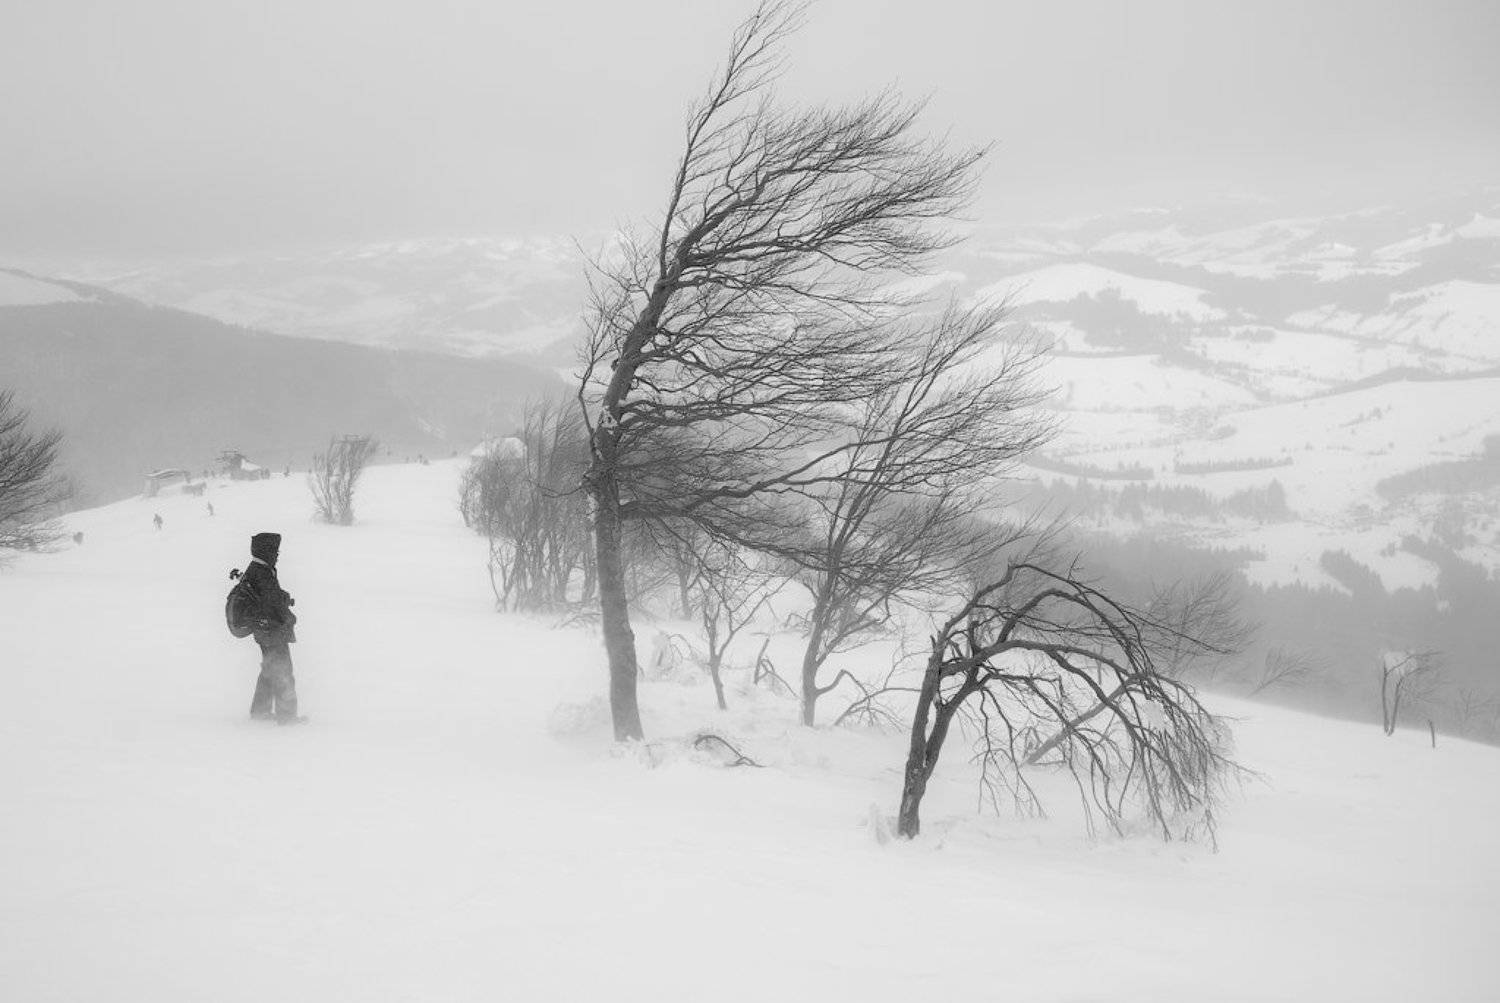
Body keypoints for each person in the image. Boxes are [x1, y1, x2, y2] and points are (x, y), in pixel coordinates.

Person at [239, 532, 304, 724]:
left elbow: (269, 596)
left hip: (265, 629)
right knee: (283, 670)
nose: (277, 554)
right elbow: (271, 601)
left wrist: (282, 596)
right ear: (266, 551)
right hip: (271, 631)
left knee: (269, 668)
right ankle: (288, 716)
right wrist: (286, 608)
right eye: (275, 550)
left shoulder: (259, 569)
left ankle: (259, 712)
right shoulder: (262, 572)